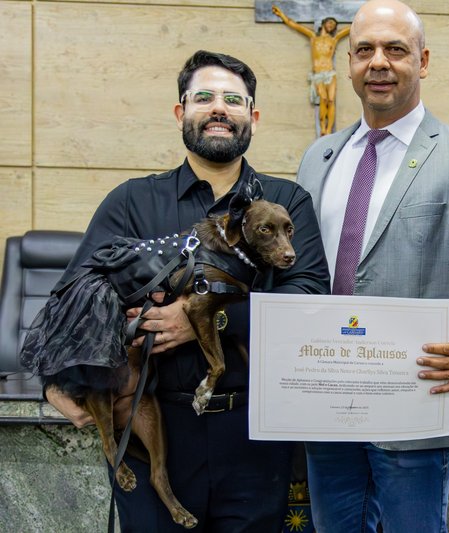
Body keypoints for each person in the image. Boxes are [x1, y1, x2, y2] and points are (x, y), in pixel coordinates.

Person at [44, 50, 330, 532]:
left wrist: (204, 317)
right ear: (181, 113)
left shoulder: (287, 202)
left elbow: (310, 297)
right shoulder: (131, 202)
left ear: (253, 118)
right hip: (154, 427)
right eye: (204, 97)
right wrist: (55, 383)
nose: (219, 108)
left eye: (233, 100)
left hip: (254, 432)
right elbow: (73, 297)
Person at [293, 0, 449, 531]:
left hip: (417, 398)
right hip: (328, 404)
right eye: (364, 50)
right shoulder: (317, 158)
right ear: (349, 63)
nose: (379, 62)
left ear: (424, 60)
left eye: (395, 49)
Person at [272, 5, 350, 136]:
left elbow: (351, 28)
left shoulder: (334, 39)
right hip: (318, 74)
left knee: (331, 100)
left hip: (330, 73)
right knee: (323, 99)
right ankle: (323, 128)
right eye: (330, 22)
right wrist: (282, 15)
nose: (331, 25)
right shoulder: (313, 37)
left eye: (334, 24)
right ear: (324, 23)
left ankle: (329, 129)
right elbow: (295, 25)